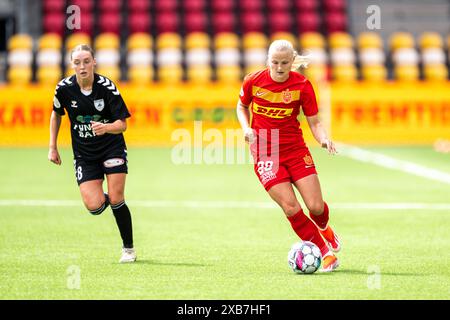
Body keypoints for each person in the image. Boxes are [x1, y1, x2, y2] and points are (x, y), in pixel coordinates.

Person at [236, 40, 340, 272]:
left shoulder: (302, 85)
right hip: (265, 153)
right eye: (275, 62)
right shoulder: (253, 81)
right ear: (268, 61)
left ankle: (324, 228)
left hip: (295, 150)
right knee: (291, 207)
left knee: (315, 207)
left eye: (284, 62)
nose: (280, 67)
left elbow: (314, 121)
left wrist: (323, 138)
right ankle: (324, 252)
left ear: (292, 62)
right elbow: (241, 106)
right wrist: (246, 128)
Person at [48, 44, 136, 263]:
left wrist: (106, 128)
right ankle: (113, 203)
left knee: (117, 198)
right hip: (85, 154)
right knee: (94, 206)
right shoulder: (64, 88)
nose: (82, 66)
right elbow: (56, 114)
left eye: (86, 61)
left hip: (111, 147)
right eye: (77, 62)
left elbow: (122, 125)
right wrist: (52, 146)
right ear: (72, 65)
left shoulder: (107, 87)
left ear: (94, 62)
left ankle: (128, 249)